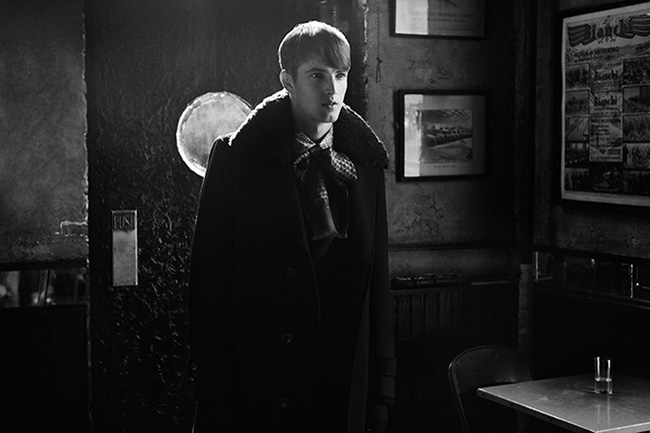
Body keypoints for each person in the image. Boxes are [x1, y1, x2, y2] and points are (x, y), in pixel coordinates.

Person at [188, 20, 396, 433]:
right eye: (317, 75)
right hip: (259, 384)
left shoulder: (366, 167)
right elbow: (208, 283)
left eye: (340, 75)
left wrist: (381, 391)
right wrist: (213, 387)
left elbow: (377, 284)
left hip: (340, 386)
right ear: (287, 81)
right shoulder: (236, 160)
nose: (331, 89)